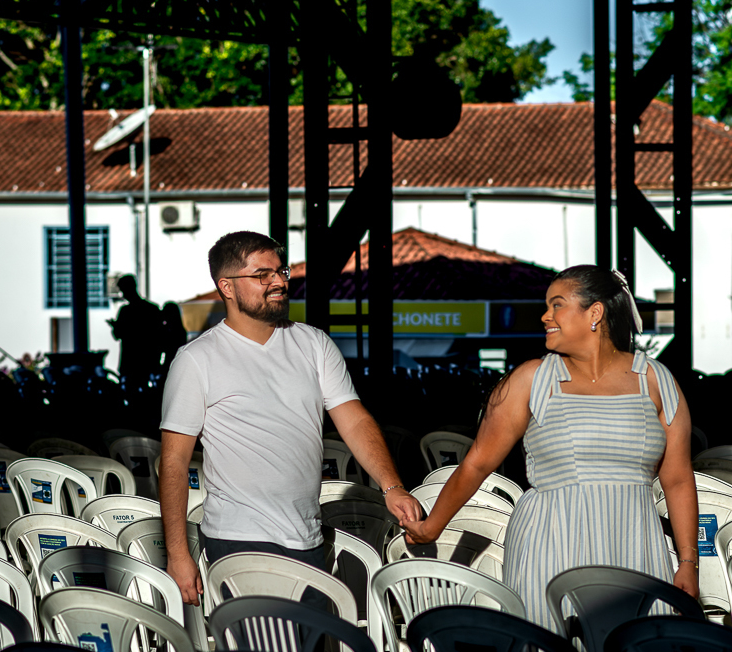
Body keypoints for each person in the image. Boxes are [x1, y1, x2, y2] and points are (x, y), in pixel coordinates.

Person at [403, 265, 700, 630]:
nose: (545, 316)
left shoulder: (656, 380)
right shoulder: (531, 379)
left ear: (595, 313)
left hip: (635, 542)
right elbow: (476, 464)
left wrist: (688, 563)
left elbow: (678, 479)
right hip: (551, 542)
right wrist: (432, 526)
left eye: (556, 305)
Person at [159, 231, 422, 607]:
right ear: (227, 287)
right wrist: (178, 554)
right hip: (238, 539)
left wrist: (392, 486)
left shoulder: (314, 344)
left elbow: (354, 420)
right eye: (262, 274)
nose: (280, 281)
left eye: (280, 271)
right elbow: (173, 462)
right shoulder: (197, 359)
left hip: (308, 537)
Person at [108, 275, 163, 387]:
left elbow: (118, 335)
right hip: (148, 362)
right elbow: (158, 337)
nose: (122, 294)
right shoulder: (152, 309)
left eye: (122, 290)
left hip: (129, 362)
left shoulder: (125, 311)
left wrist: (115, 326)